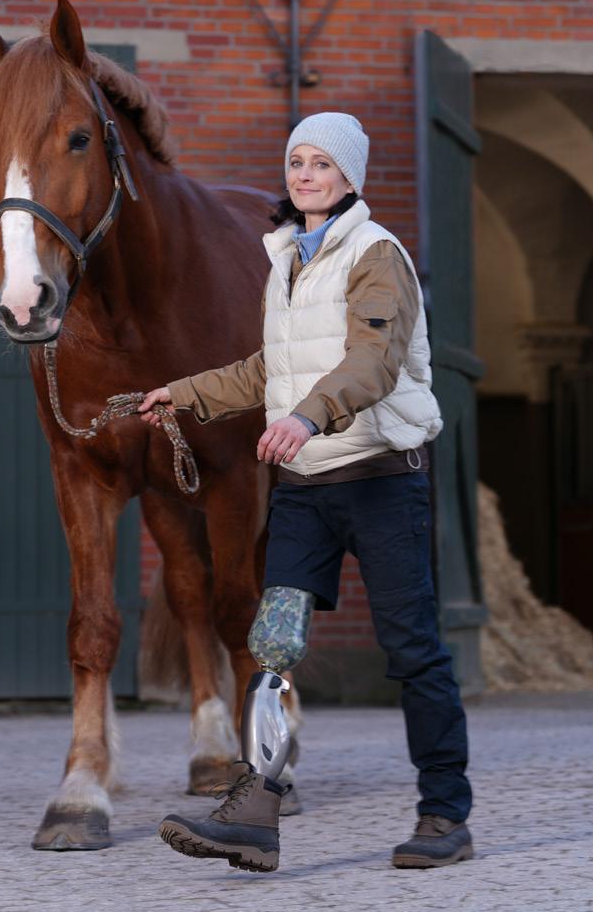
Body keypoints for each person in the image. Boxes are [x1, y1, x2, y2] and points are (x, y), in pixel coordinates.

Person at [139, 112, 473, 873]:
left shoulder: (377, 254)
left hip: (382, 482)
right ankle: (257, 811)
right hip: (303, 491)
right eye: (296, 161)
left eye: (321, 163)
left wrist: (306, 416)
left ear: (350, 176)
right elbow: (269, 368)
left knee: (412, 648)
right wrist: (183, 394)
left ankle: (444, 812)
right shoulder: (287, 258)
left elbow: (373, 361)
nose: (305, 174)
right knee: (272, 645)